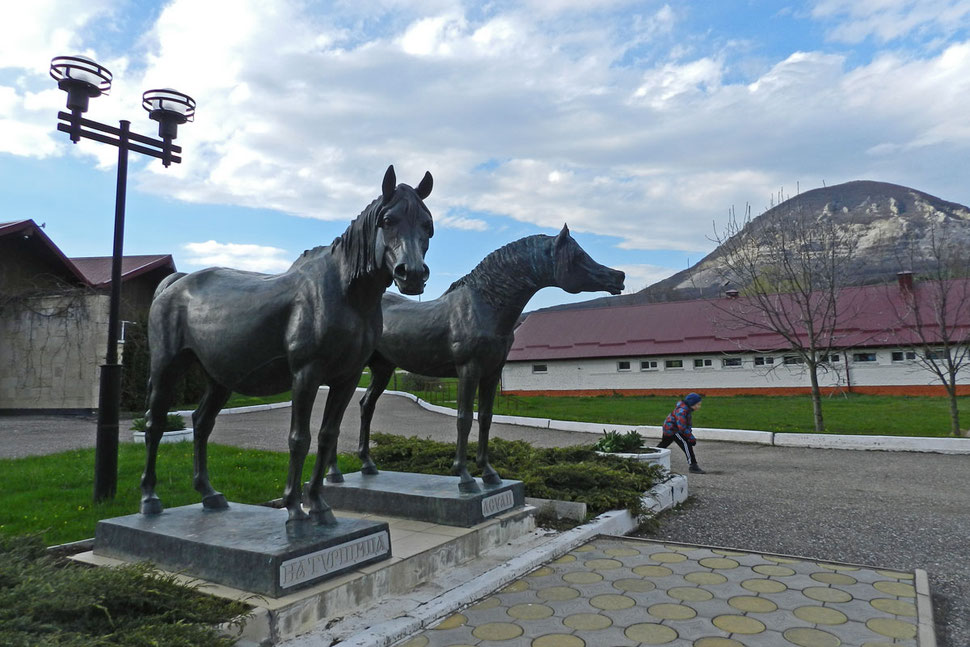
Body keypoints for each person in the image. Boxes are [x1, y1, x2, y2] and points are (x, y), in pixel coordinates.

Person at [659, 392, 705, 474]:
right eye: (698, 404)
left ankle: (651, 458)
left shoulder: (686, 410)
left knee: (663, 445)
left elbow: (687, 425)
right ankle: (693, 465)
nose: (699, 407)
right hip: (673, 430)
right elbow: (682, 427)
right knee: (686, 444)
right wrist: (690, 437)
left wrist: (689, 434)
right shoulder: (682, 411)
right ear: (692, 404)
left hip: (670, 428)